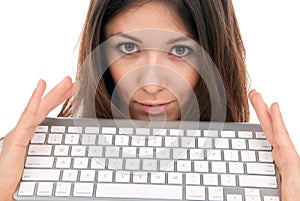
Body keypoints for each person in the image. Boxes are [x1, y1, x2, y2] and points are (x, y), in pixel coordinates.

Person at [0, 0, 299, 200]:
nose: (152, 84)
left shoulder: (266, 173)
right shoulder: (31, 157)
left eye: (180, 51)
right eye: (128, 47)